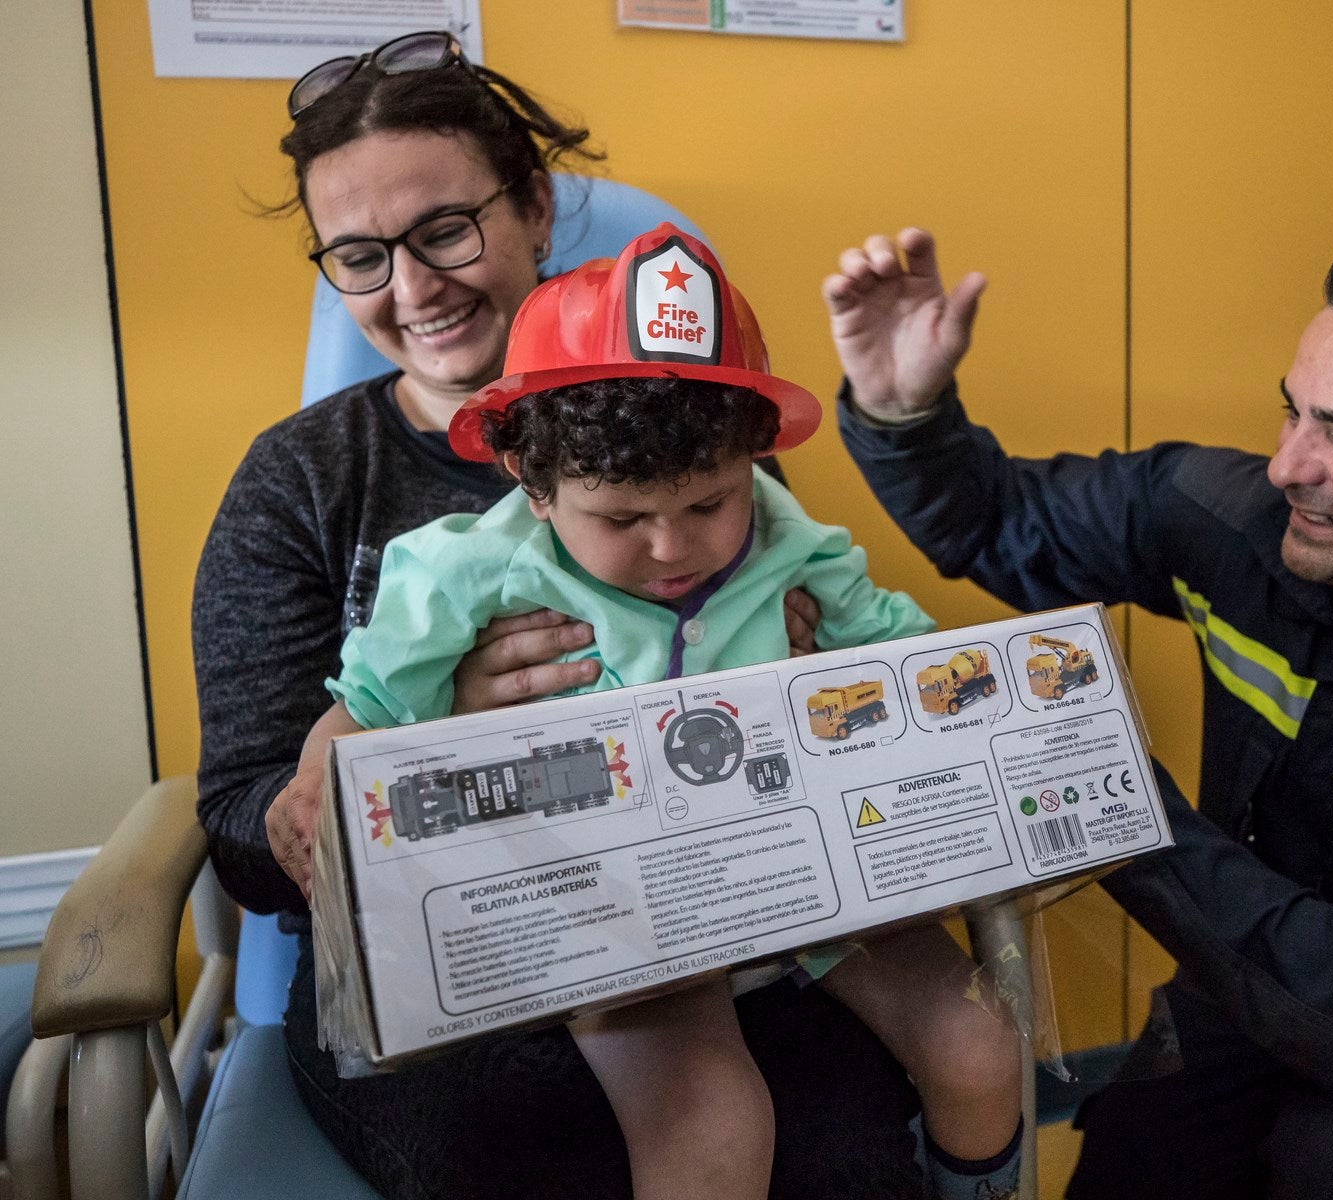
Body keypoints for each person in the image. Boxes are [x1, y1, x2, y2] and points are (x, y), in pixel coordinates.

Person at [193, 34, 925, 1199]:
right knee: (529, 1153)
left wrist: (797, 691)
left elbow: (839, 701)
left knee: (847, 1155)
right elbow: (243, 825)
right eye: (359, 255)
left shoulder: (697, 441)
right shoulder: (301, 484)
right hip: (447, 975)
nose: (414, 287)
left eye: (444, 230)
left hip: (711, 937)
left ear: (534, 207)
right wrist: (442, 734)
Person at [824, 215, 1333, 1199]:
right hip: (1253, 988)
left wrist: (1106, 793)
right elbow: (997, 522)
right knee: (1137, 1150)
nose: (1290, 465)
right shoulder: (1239, 514)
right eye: (1293, 411)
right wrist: (904, 412)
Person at [283, 224, 1026, 1200]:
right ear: (531, 481)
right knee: (713, 1130)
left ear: (754, 459)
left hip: (807, 888)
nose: (674, 547)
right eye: (624, 520)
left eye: (712, 503)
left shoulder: (788, 542)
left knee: (980, 1046)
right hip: (620, 930)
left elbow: (914, 664)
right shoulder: (464, 578)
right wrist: (314, 785)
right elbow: (362, 713)